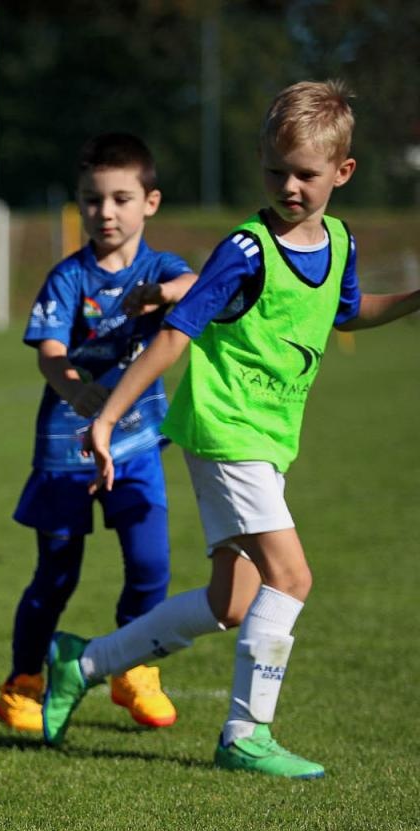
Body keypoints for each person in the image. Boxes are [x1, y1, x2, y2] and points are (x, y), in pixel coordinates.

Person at [40, 81, 420, 777]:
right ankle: (245, 734)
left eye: (306, 174)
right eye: (276, 171)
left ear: (344, 172)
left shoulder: (339, 240)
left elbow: (349, 311)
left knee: (230, 602)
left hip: (269, 440)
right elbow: (175, 334)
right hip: (226, 433)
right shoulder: (245, 250)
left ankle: (81, 661)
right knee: (293, 577)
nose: (290, 186)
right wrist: (109, 417)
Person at [0, 133, 196, 733]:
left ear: (150, 202)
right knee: (57, 574)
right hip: (66, 451)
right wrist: (75, 387)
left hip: (137, 445)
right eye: (92, 200)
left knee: (151, 564)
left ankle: (134, 671)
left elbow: (196, 287)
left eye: (120, 198)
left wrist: (158, 296)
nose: (105, 212)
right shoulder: (67, 277)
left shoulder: (162, 270)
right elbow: (50, 353)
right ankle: (23, 682)